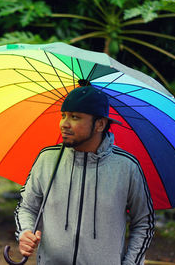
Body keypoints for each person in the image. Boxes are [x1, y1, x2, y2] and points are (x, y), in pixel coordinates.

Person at [14, 85, 155, 265]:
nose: (64, 124)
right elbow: (26, 207)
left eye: (75, 117)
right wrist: (25, 232)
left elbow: (144, 222)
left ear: (100, 124)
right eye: (63, 115)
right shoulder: (47, 159)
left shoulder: (127, 167)